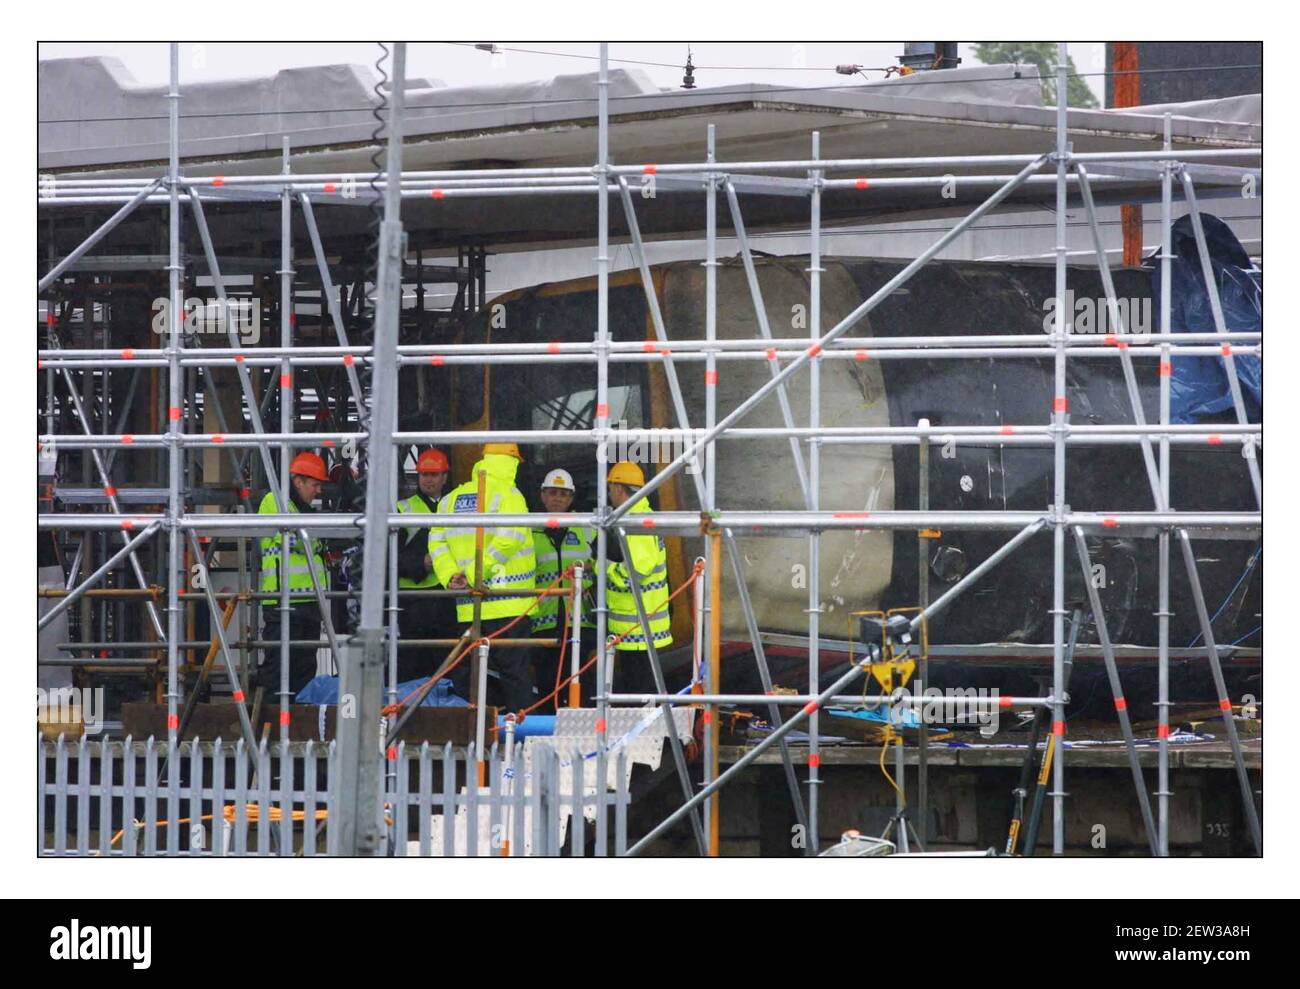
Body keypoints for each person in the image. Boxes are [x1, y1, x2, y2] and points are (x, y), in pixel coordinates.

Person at [427, 443, 536, 711]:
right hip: (511, 607)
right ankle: (519, 740)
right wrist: (479, 573)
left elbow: (437, 541)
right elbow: (510, 539)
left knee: (470, 675)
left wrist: (452, 575)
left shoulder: (451, 499)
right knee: (515, 677)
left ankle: (473, 735)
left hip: (468, 607)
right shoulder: (510, 495)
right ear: (511, 462)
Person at [257, 451, 330, 698]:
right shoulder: (274, 501)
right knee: (278, 667)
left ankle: (299, 721)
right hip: (282, 601)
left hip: (309, 602)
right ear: (298, 481)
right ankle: (273, 721)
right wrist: (315, 537)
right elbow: (299, 540)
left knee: (304, 667)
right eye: (314, 485)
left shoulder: (302, 509)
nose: (318, 491)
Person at [528, 468, 596, 711]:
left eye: (564, 494)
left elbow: (604, 565)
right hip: (542, 622)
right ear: (543, 496)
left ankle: (581, 738)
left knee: (582, 683)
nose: (558, 498)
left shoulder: (587, 528)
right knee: (547, 686)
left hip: (580, 621)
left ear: (572, 498)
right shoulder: (528, 530)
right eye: (553, 493)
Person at [604, 461, 672, 696]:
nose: (609, 494)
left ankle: (648, 733)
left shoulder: (637, 521)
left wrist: (606, 569)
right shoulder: (638, 516)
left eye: (610, 488)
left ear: (619, 489)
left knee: (641, 690)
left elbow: (637, 571)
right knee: (641, 688)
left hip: (639, 627)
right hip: (638, 626)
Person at [394, 448, 456, 682]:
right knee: (413, 665)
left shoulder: (455, 507)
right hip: (414, 602)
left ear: (444, 477)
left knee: (448, 664)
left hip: (447, 598)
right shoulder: (402, 509)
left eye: (434, 474)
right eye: (424, 475)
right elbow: (389, 558)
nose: (428, 479)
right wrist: (421, 563)